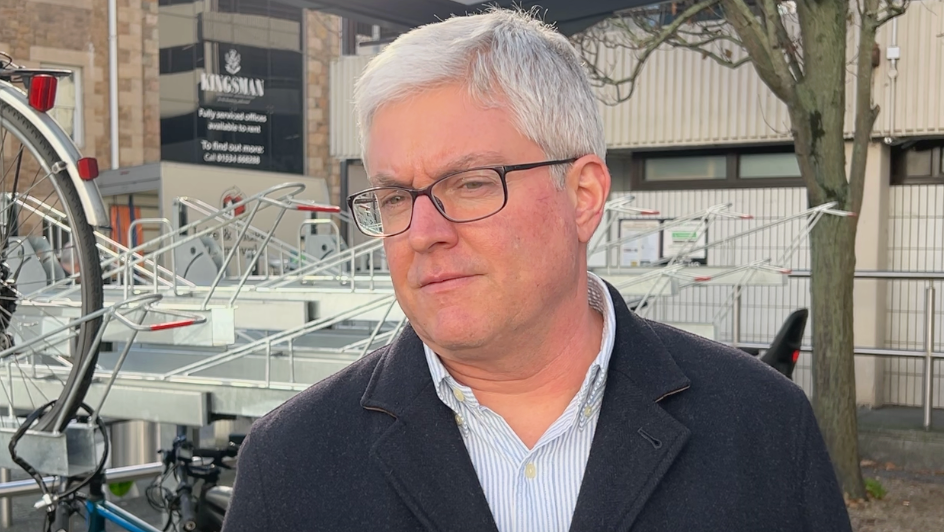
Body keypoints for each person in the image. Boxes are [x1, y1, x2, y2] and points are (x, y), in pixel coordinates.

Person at [221, 8, 853, 532]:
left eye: (469, 184)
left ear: (583, 196)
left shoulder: (762, 428)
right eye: (394, 197)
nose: (422, 233)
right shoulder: (291, 466)